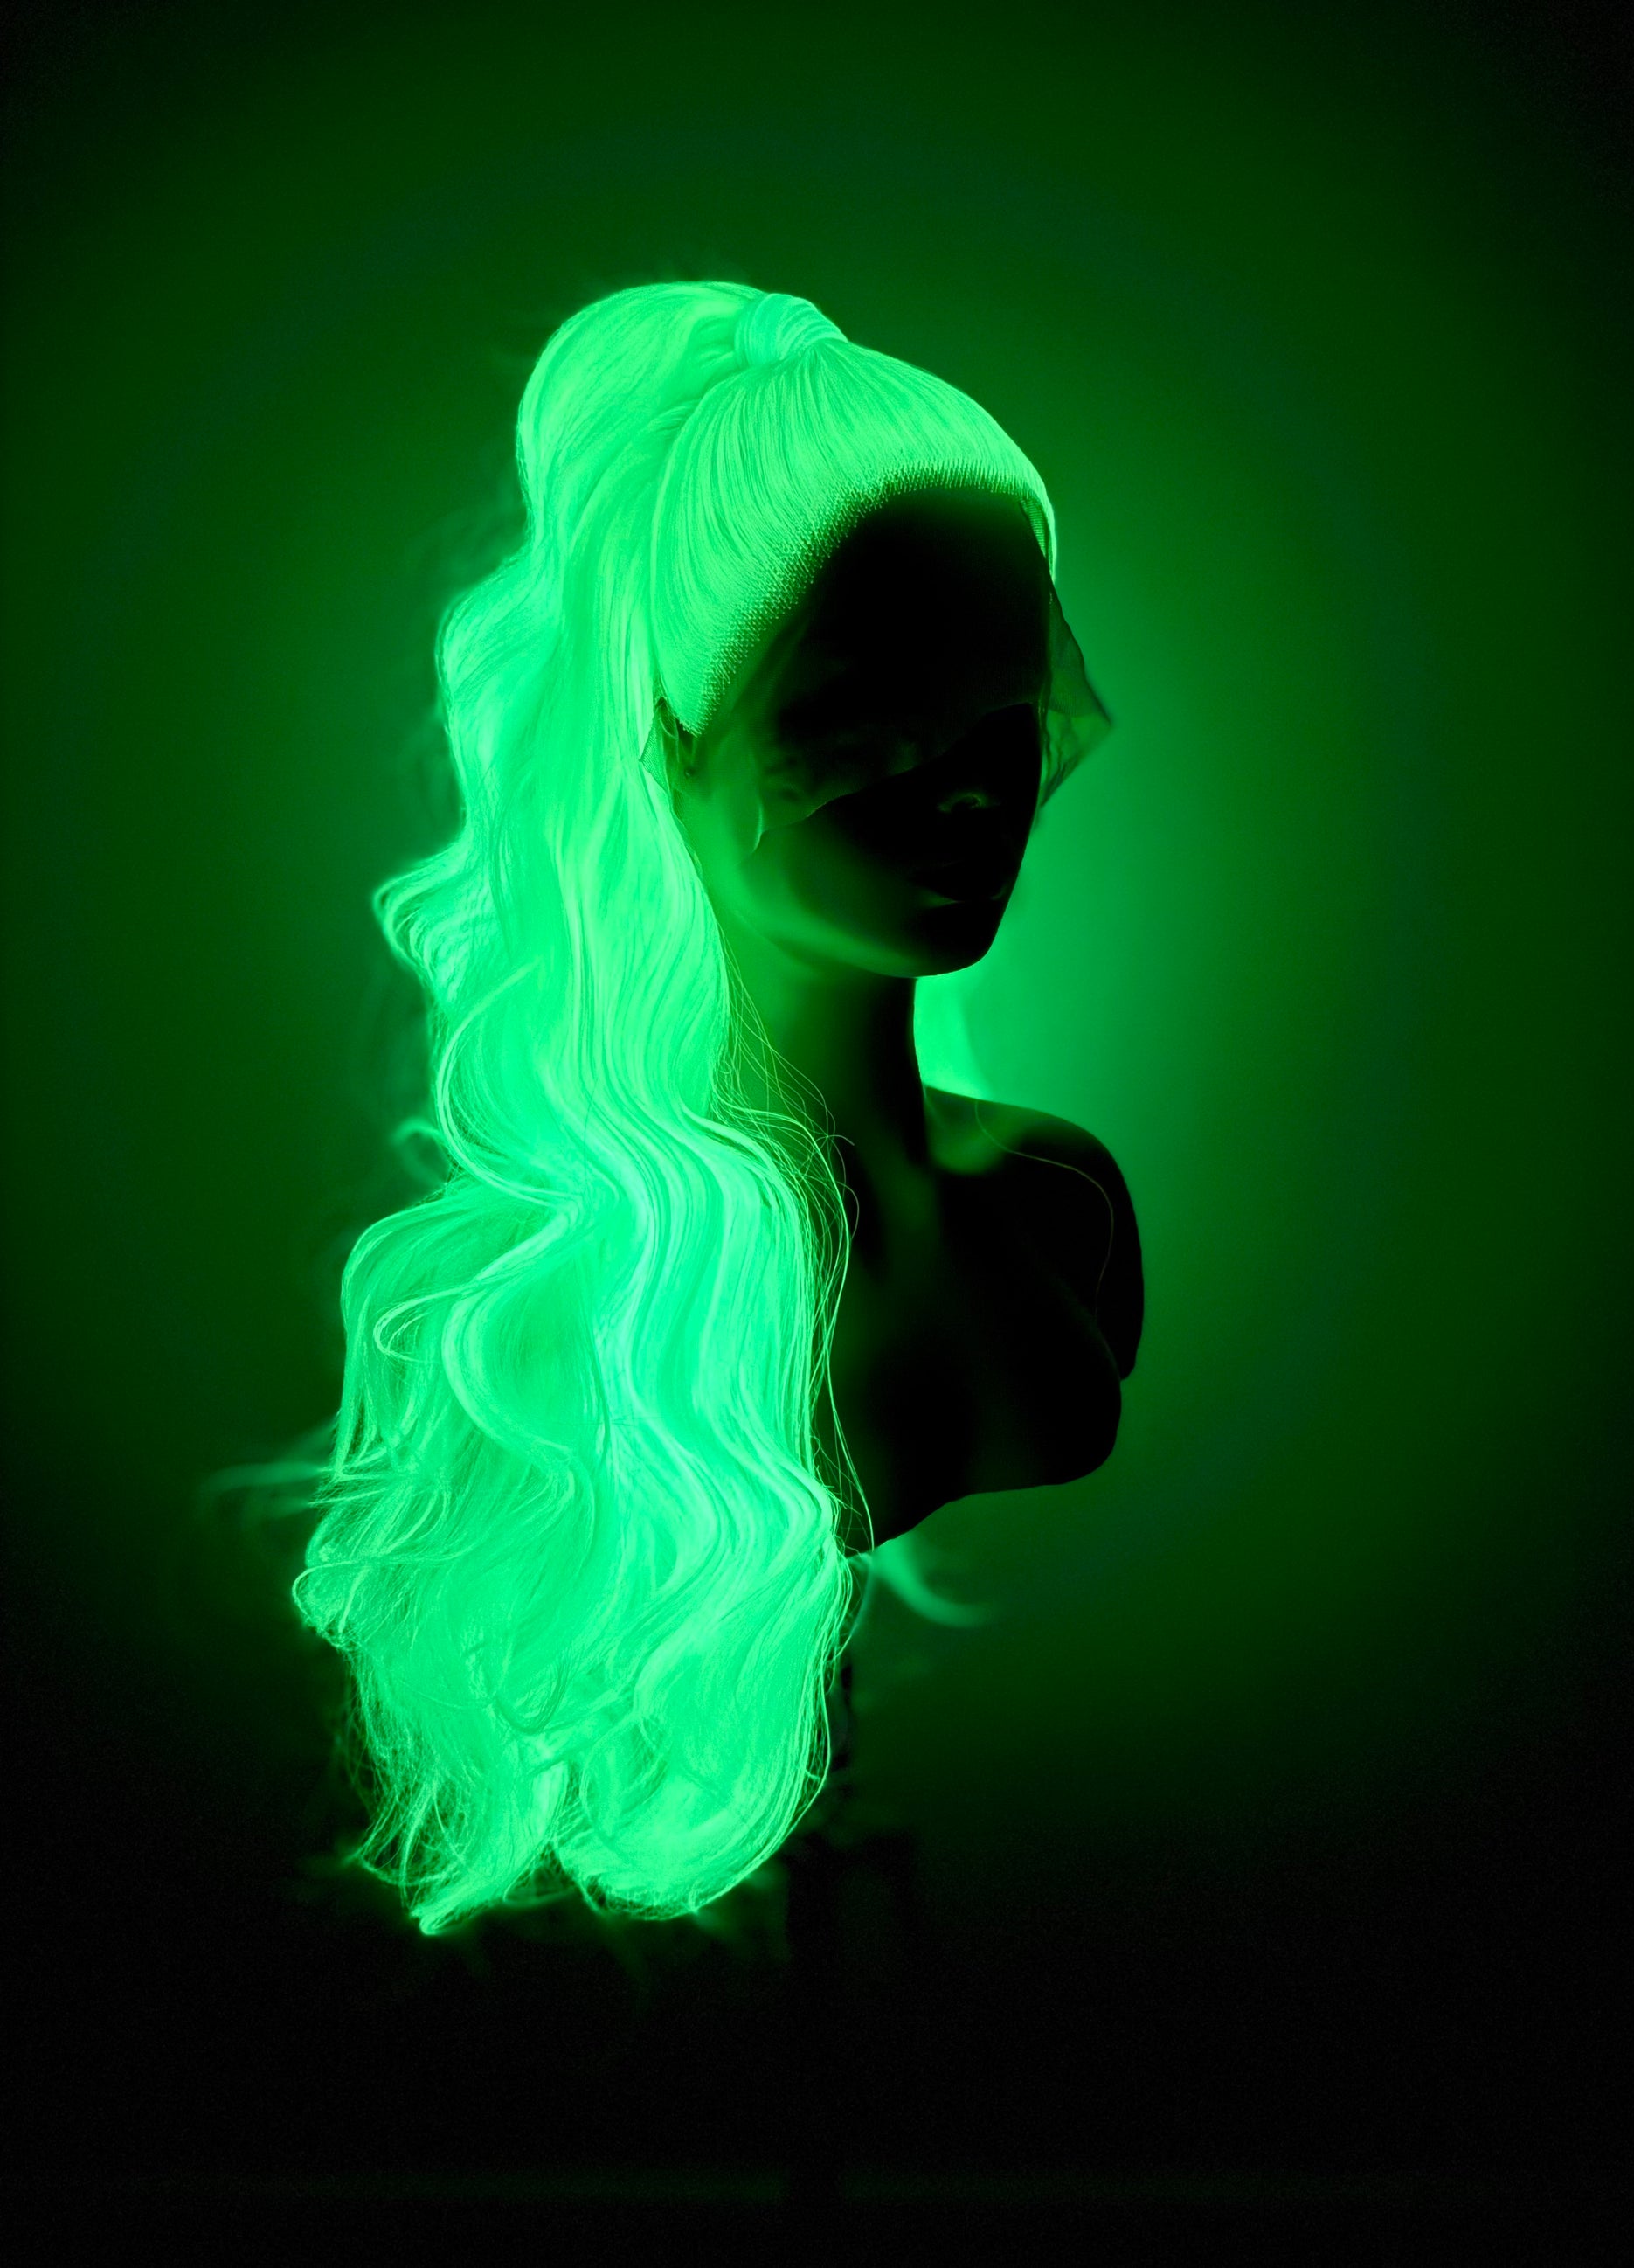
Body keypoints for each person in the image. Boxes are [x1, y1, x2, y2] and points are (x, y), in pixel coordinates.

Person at [291, 280, 1139, 1937]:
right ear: (673, 749)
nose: (970, 786)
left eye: (1007, 707)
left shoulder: (1065, 1206)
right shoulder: (566, 1326)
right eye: (868, 720)